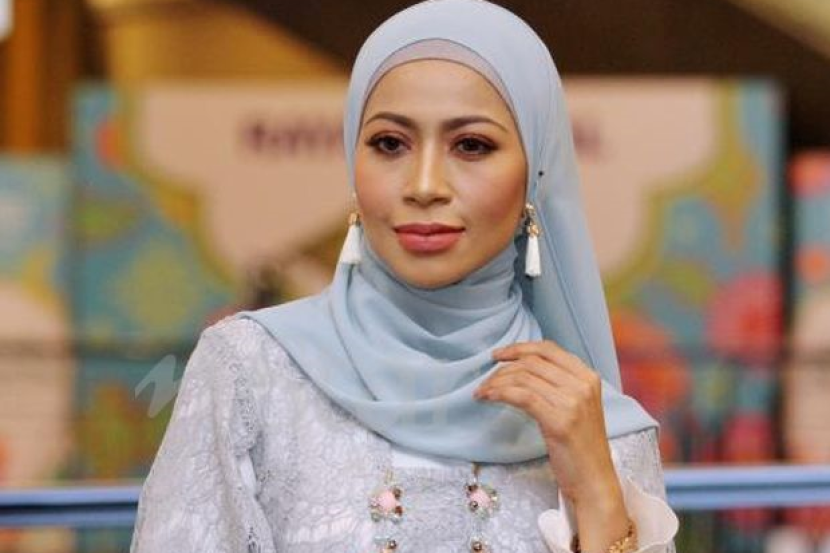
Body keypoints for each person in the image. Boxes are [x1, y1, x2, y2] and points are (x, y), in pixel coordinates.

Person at [130, 1, 679, 551]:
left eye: (471, 145)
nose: (424, 185)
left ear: (534, 172)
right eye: (390, 144)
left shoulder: (589, 417)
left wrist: (598, 495)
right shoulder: (251, 372)